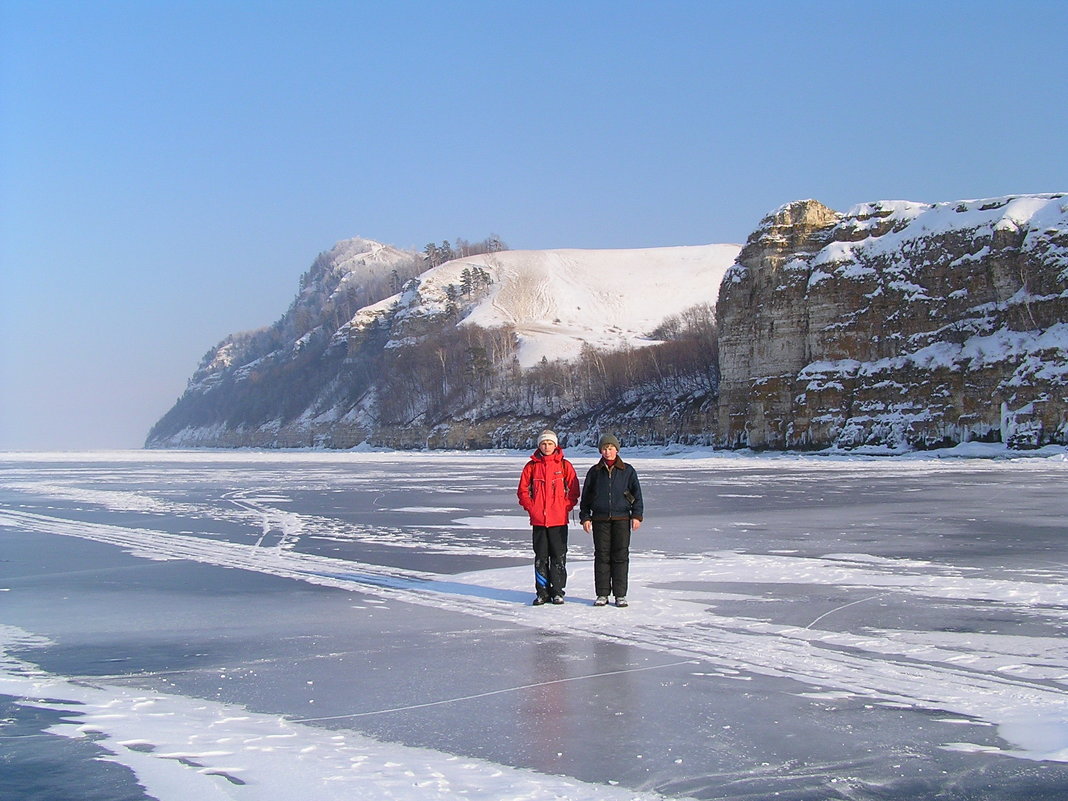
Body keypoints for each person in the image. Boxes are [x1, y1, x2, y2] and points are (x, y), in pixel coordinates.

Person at [580, 433, 643, 607]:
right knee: (601, 556)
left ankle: (620, 594)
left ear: (617, 449)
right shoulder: (594, 472)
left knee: (621, 556)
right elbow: (586, 497)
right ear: (600, 451)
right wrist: (585, 517)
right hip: (600, 519)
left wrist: (636, 516)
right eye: (604, 449)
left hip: (622, 518)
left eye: (611, 448)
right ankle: (602, 594)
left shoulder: (627, 470)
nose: (608, 452)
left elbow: (637, 495)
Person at [517, 429, 579, 606]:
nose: (547, 446)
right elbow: (522, 491)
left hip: (559, 520)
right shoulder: (531, 466)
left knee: (558, 556)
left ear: (555, 445)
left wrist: (565, 507)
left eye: (550, 443)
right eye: (544, 443)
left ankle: (558, 591)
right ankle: (542, 592)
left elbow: (574, 489)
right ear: (539, 445)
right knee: (541, 557)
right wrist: (532, 508)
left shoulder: (564, 465)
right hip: (539, 521)